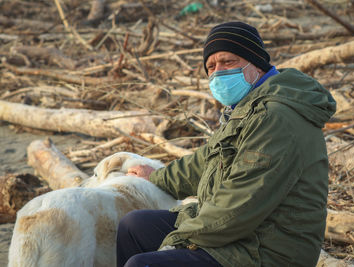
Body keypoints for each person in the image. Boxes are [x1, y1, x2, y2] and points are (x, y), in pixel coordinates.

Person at [116, 21, 336, 267]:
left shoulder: (276, 117)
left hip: (268, 250)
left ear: (256, 63)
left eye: (228, 62)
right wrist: (156, 178)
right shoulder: (248, 106)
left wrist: (177, 240)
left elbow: (240, 206)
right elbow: (206, 161)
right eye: (211, 66)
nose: (218, 72)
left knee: (142, 264)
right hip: (243, 234)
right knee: (132, 226)